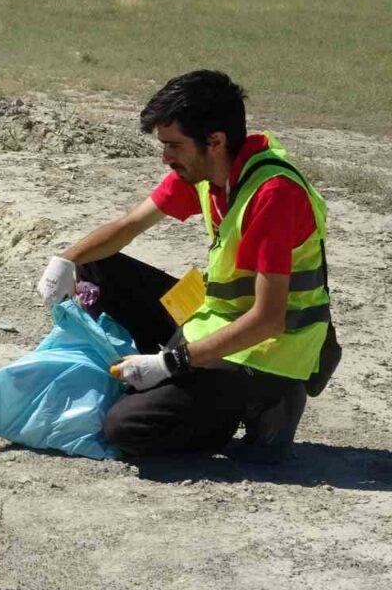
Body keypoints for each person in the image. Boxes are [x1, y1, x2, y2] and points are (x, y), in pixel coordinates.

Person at [36, 70, 338, 463]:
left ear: (215, 141)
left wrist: (171, 362)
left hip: (266, 352)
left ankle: (269, 402)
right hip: (218, 318)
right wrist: (67, 259)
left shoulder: (274, 195)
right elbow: (129, 226)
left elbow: (268, 321)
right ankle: (168, 385)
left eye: (173, 145)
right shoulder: (207, 171)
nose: (165, 157)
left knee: (124, 429)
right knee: (99, 267)